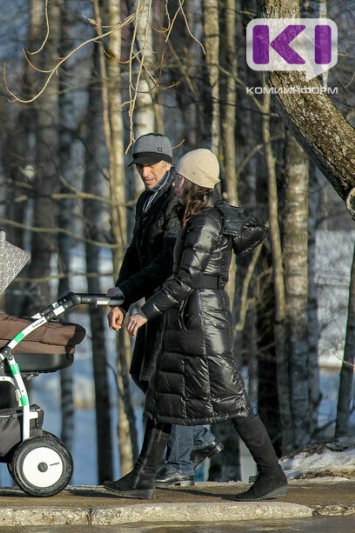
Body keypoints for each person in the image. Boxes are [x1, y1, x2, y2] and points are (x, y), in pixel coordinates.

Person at [103, 148, 287, 501]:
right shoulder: (192, 219)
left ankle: (271, 475)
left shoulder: (206, 223)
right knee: (161, 394)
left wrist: (146, 311)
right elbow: (163, 269)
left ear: (192, 182)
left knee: (234, 401)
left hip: (203, 324)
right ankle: (142, 478)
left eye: (181, 177)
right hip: (185, 320)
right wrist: (124, 293)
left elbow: (186, 279)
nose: (175, 182)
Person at [107, 133, 221, 486]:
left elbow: (165, 263)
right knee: (142, 374)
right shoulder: (145, 200)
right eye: (140, 166)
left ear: (168, 164)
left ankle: (180, 465)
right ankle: (200, 437)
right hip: (146, 299)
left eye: (151, 165)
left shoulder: (177, 199)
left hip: (170, 302)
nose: (145, 172)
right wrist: (120, 299)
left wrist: (133, 294)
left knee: (166, 382)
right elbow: (134, 252)